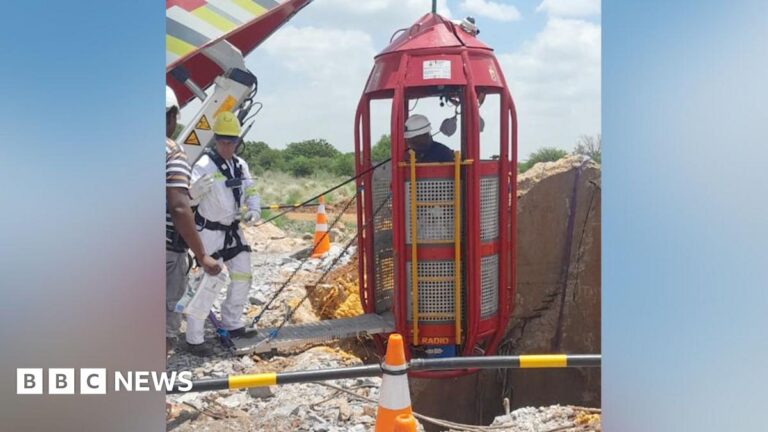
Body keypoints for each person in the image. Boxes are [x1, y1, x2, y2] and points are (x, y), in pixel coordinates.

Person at [184, 111, 262, 356]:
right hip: (209, 232)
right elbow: (186, 198)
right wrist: (194, 191)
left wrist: (254, 209)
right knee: (207, 284)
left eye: (231, 142)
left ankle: (232, 321)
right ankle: (194, 339)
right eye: (222, 142)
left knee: (242, 275)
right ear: (215, 141)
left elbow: (251, 189)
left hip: (232, 231)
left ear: (237, 142)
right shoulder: (204, 165)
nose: (227, 146)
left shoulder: (240, 165)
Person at [165, 85, 221, 354]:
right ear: (172, 116)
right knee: (162, 327)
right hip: (164, 254)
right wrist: (202, 255)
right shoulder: (172, 152)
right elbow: (178, 208)